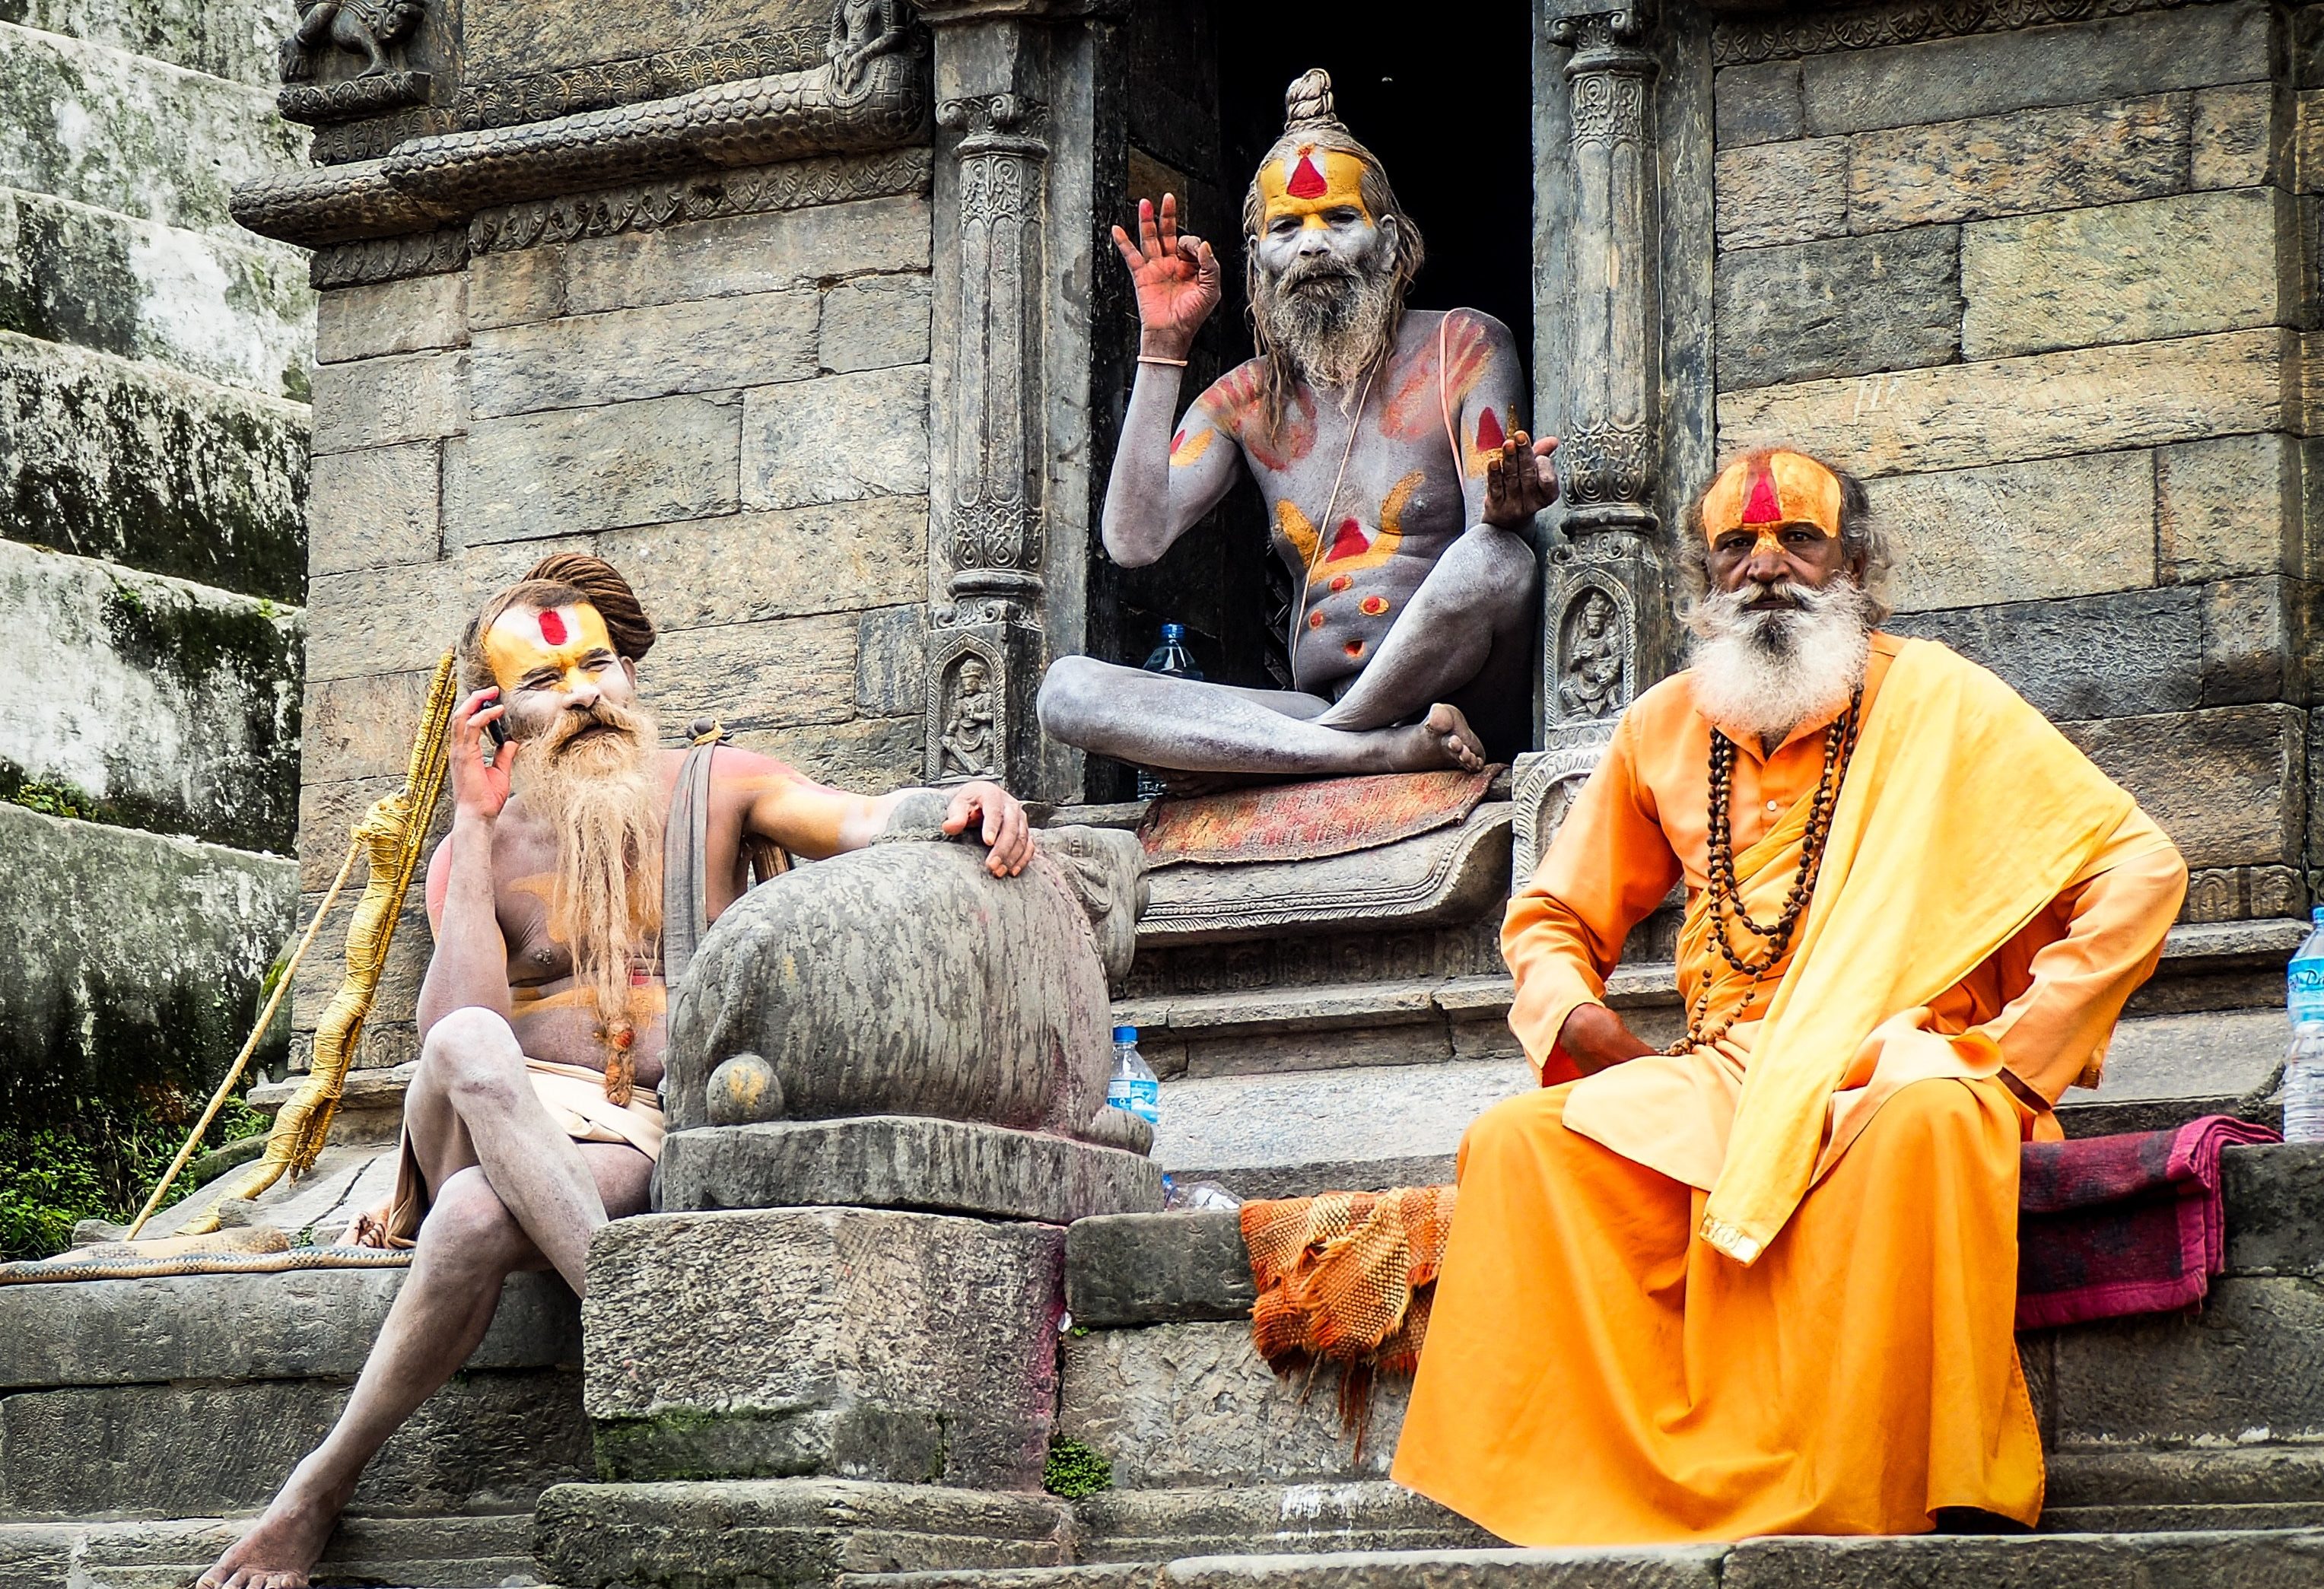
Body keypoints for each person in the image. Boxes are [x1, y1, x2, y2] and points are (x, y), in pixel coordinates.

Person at [1391, 447, 2188, 1543]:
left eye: (1798, 541)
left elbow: (2138, 868)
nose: (1766, 567)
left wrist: (2014, 1052)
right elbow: (1549, 918)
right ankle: (1604, 1491)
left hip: (1892, 1058)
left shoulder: (1938, 700)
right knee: (1520, 1144)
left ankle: (1890, 1483)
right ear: (1698, 580)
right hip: (1729, 1066)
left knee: (1932, 1124)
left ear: (1854, 562)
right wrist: (1573, 1015)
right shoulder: (1660, 727)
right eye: (1734, 546)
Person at [199, 553, 1031, 1589]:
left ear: (627, 670)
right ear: (499, 711)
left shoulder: (714, 786)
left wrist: (958, 804)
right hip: (474, 1097)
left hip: (626, 1124)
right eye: (548, 682)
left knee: (466, 1218)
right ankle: (655, 1332)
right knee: (465, 1042)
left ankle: (314, 1490)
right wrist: (470, 818)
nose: (586, 692)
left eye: (598, 665)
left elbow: (857, 819)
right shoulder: (479, 843)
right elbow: (454, 1024)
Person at [1037, 68, 1557, 783]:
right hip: (1307, 713)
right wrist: (1161, 348)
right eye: (1286, 227)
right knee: (1066, 692)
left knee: (1497, 559)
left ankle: (1311, 752)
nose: (1312, 245)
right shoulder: (1242, 400)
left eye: (1339, 220)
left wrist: (1507, 514)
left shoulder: (1464, 345)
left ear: (1392, 241)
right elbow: (1131, 539)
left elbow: (1492, 566)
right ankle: (1367, 750)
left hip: (1461, 698)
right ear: (1256, 262)